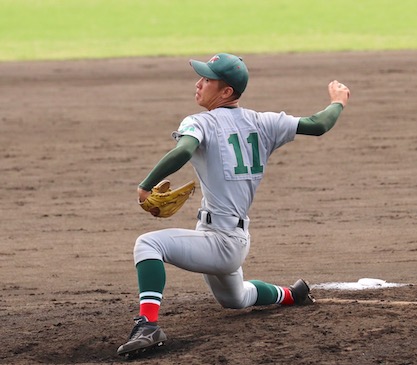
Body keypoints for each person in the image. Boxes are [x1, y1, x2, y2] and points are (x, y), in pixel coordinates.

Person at [117, 53, 350, 357]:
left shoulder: (200, 122)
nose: (199, 83)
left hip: (219, 242)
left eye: (207, 80)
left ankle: (147, 325)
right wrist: (338, 101)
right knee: (236, 299)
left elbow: (183, 150)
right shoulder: (264, 122)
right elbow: (318, 124)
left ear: (226, 92)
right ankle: (292, 295)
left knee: (148, 245)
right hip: (233, 240)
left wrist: (145, 186)